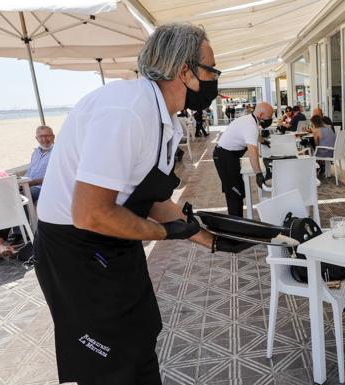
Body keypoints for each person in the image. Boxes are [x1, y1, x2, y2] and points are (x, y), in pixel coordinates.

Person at [33, 23, 247, 385]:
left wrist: (208, 239)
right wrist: (163, 233)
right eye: (211, 70)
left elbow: (150, 197)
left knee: (140, 333)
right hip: (78, 250)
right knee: (111, 364)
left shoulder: (163, 119)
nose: (214, 79)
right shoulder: (127, 111)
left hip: (113, 239)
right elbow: (91, 213)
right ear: (184, 70)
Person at [213, 101, 273, 217]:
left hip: (229, 156)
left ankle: (238, 222)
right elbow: (252, 152)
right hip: (224, 157)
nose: (270, 119)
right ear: (261, 115)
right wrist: (258, 174)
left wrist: (263, 141)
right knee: (234, 193)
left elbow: (255, 134)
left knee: (238, 190)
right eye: (269, 117)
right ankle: (235, 226)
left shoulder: (251, 120)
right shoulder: (251, 125)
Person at [25, 125, 54, 202]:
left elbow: (55, 177)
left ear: (53, 137)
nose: (44, 139)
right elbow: (29, 171)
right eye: (41, 136)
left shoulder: (57, 153)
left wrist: (31, 183)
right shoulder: (35, 153)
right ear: (36, 138)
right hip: (29, 185)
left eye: (47, 136)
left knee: (22, 195)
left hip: (45, 188)